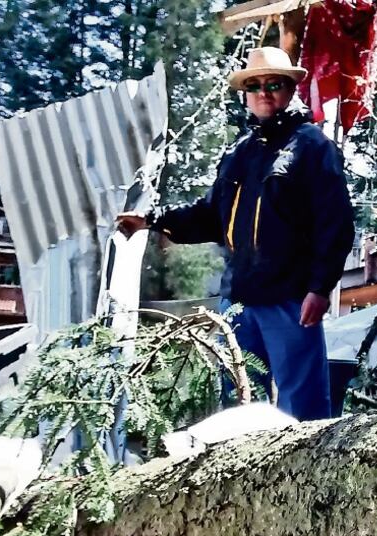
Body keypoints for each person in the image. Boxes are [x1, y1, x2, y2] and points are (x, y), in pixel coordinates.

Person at [117, 47, 355, 421]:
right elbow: (210, 216)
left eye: (274, 84)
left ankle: (308, 480)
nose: (264, 92)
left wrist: (320, 289)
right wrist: (150, 220)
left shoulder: (313, 146)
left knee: (303, 410)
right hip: (238, 302)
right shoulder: (239, 152)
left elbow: (336, 223)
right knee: (238, 402)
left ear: (290, 88)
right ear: (245, 94)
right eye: (254, 85)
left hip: (291, 300)